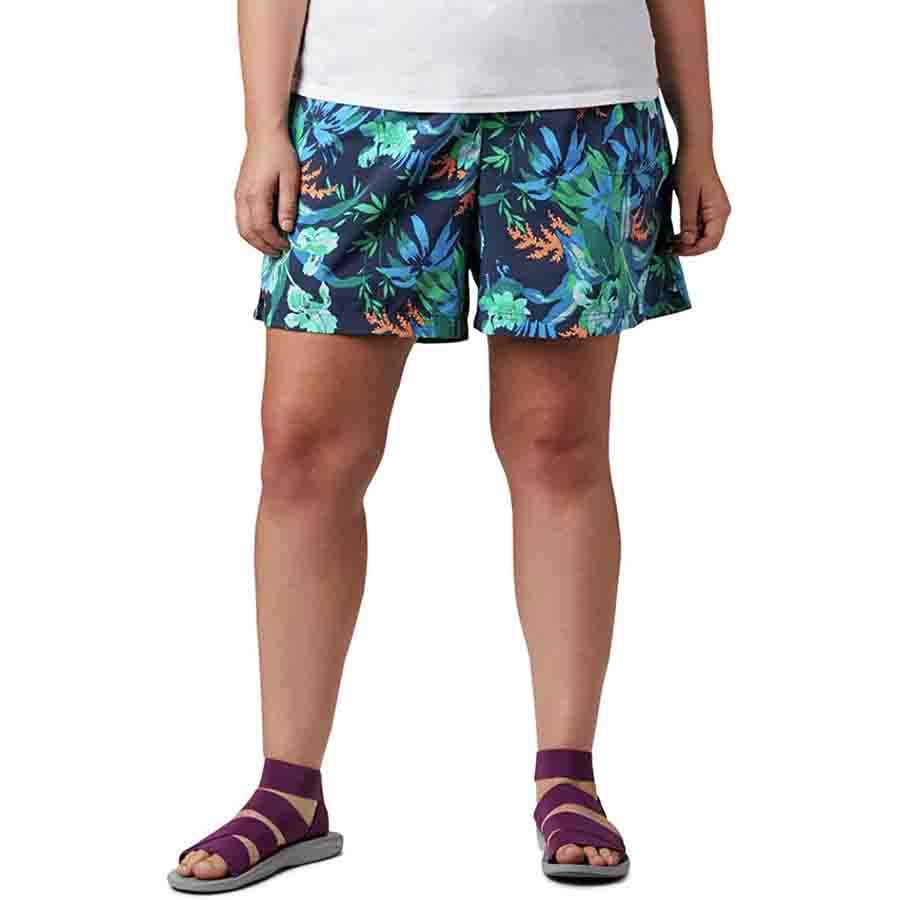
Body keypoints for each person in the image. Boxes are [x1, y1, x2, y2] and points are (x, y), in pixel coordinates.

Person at [169, 0, 730, 890]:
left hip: (577, 107)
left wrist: (699, 137)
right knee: (304, 454)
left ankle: (568, 777)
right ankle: (288, 791)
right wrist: (263, 125)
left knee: (558, 445)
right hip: (360, 110)